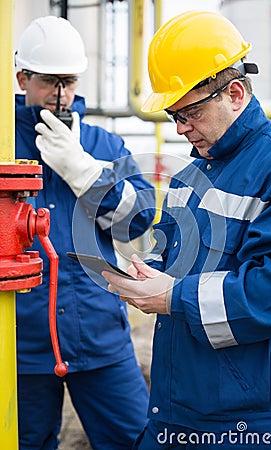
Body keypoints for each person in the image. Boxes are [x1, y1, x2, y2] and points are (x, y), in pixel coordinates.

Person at [103, 10, 271, 450]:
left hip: (249, 422)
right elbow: (172, 252)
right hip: (176, 404)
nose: (179, 128)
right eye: (174, 114)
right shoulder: (188, 176)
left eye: (189, 112)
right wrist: (145, 271)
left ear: (234, 92)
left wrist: (174, 297)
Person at [15, 15, 155, 450]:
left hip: (98, 336)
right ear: (22, 78)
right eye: (49, 82)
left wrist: (84, 171)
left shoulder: (102, 146)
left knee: (135, 440)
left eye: (69, 82)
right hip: (20, 345)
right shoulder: (3, 144)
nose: (61, 96)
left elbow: (138, 218)